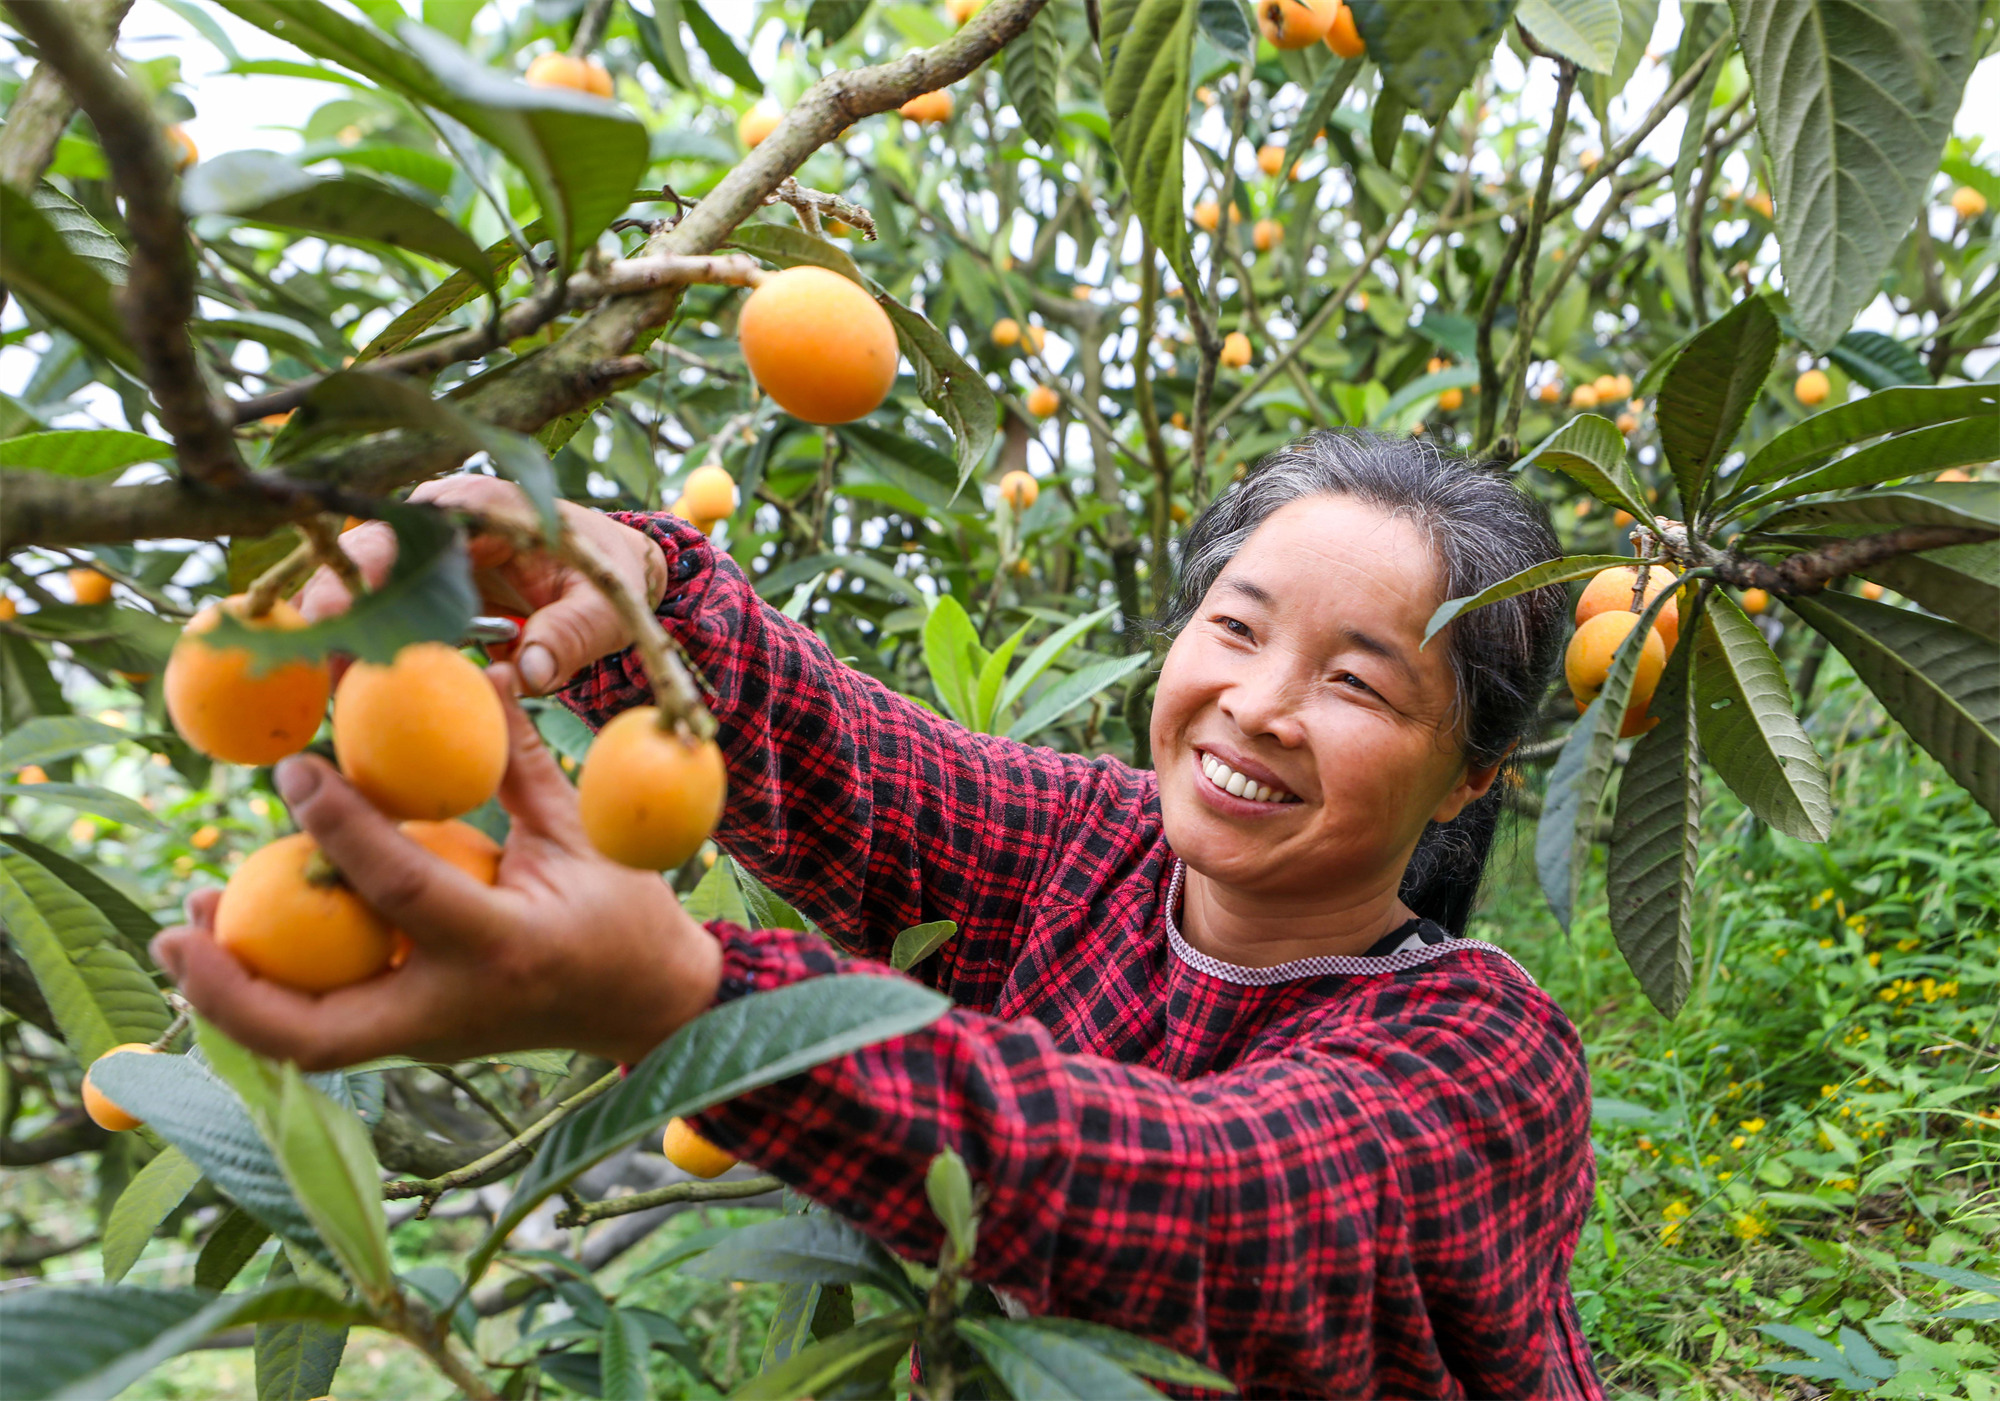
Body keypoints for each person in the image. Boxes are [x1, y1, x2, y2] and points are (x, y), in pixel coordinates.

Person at [155, 430, 1600, 1399]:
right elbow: (854, 765)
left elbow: (1213, 1206)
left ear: (1468, 773)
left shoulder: (1487, 1054)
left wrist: (684, 1000)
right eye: (1234, 623)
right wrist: (638, 583)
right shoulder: (1095, 852)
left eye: (1356, 682)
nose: (1261, 705)